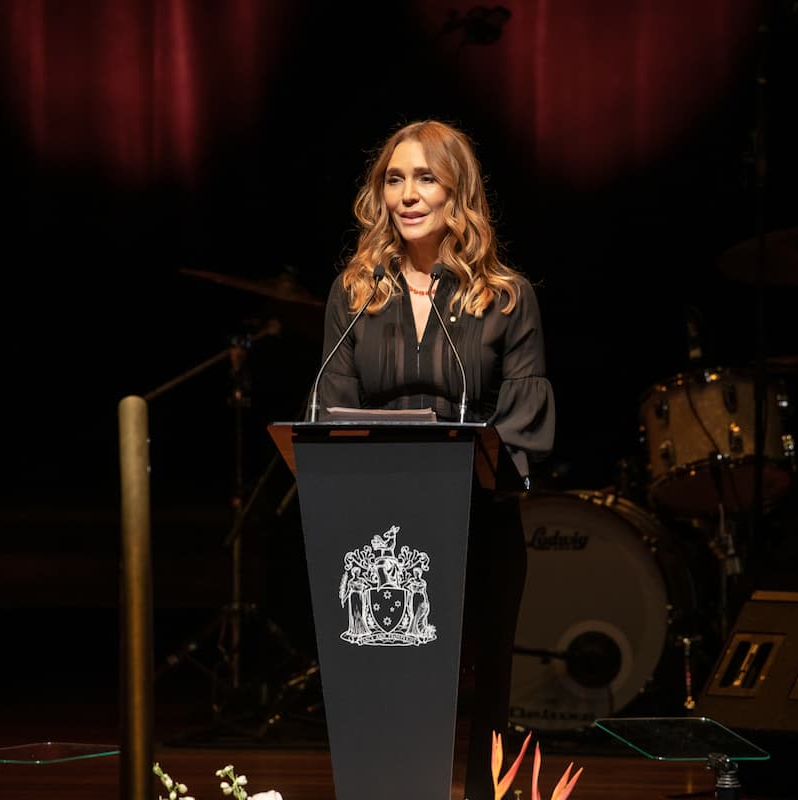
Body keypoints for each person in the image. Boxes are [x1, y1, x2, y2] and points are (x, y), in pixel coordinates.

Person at [314, 118, 555, 800]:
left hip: (477, 520)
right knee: (387, 696)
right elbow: (330, 405)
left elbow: (525, 416)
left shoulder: (505, 297)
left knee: (487, 697)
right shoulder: (356, 293)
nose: (407, 195)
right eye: (394, 178)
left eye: (425, 178)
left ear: (459, 193)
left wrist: (467, 467)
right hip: (378, 532)